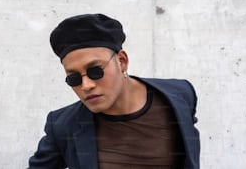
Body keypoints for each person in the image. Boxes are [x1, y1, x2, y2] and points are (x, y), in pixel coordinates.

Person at [28, 13, 200, 169]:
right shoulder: (63, 126)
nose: (86, 85)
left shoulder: (180, 96)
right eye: (74, 78)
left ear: (122, 61)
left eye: (95, 71)